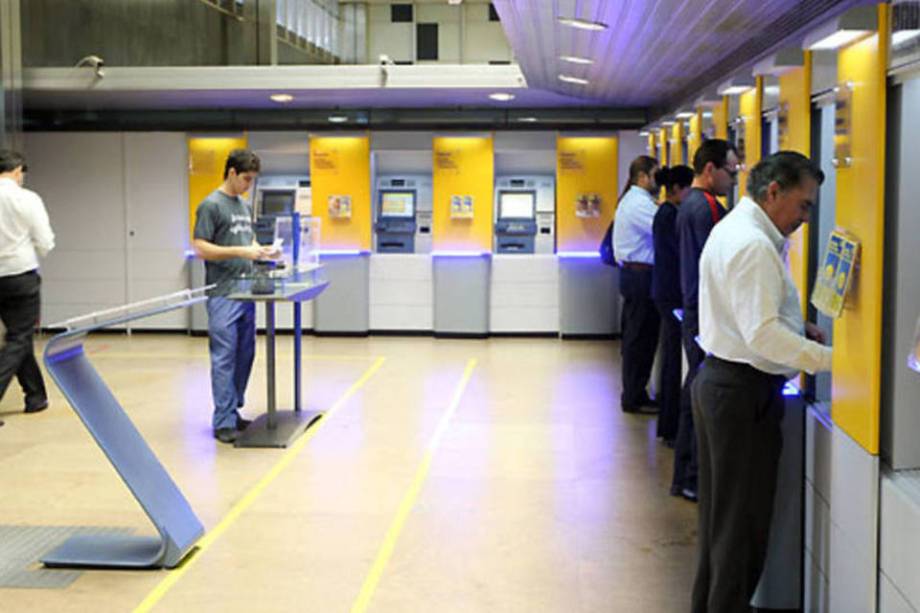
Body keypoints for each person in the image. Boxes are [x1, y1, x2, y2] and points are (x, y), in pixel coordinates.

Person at [691, 151, 831, 612]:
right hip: (741, 393)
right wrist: (831, 360)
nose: (805, 218)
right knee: (742, 525)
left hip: (724, 384)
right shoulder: (753, 244)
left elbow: (751, 312)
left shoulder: (737, 229)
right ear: (773, 192)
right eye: (803, 205)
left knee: (723, 522)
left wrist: (797, 328)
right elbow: (762, 335)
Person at [670, 139, 739, 501]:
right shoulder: (708, 208)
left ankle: (686, 473)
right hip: (707, 316)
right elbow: (719, 265)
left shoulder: (690, 205)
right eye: (731, 171)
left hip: (695, 310)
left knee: (693, 391)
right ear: (710, 169)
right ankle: (694, 475)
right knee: (704, 396)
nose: (734, 179)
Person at [193, 149, 276, 444]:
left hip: (245, 292)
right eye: (246, 179)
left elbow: (246, 238)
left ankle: (233, 409)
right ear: (231, 173)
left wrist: (261, 249)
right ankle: (223, 420)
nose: (249, 185)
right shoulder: (211, 205)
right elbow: (201, 247)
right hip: (223, 294)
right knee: (224, 357)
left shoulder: (242, 206)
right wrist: (241, 251)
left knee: (245, 354)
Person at [0, 150, 55, 428]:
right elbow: (45, 241)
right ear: (17, 170)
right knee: (19, 338)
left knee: (19, 337)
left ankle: (36, 396)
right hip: (20, 276)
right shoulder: (27, 199)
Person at [613, 155, 660, 413]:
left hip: (636, 277)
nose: (659, 181)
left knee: (638, 337)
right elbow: (663, 228)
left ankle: (635, 392)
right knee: (639, 339)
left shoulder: (634, 200)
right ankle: (633, 396)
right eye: (655, 175)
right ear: (642, 177)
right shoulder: (639, 204)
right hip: (641, 278)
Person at [651, 165, 693, 444]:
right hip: (671, 296)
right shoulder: (669, 216)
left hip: (665, 293)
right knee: (673, 361)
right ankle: (670, 425)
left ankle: (668, 424)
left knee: (671, 359)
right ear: (677, 188)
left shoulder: (666, 213)